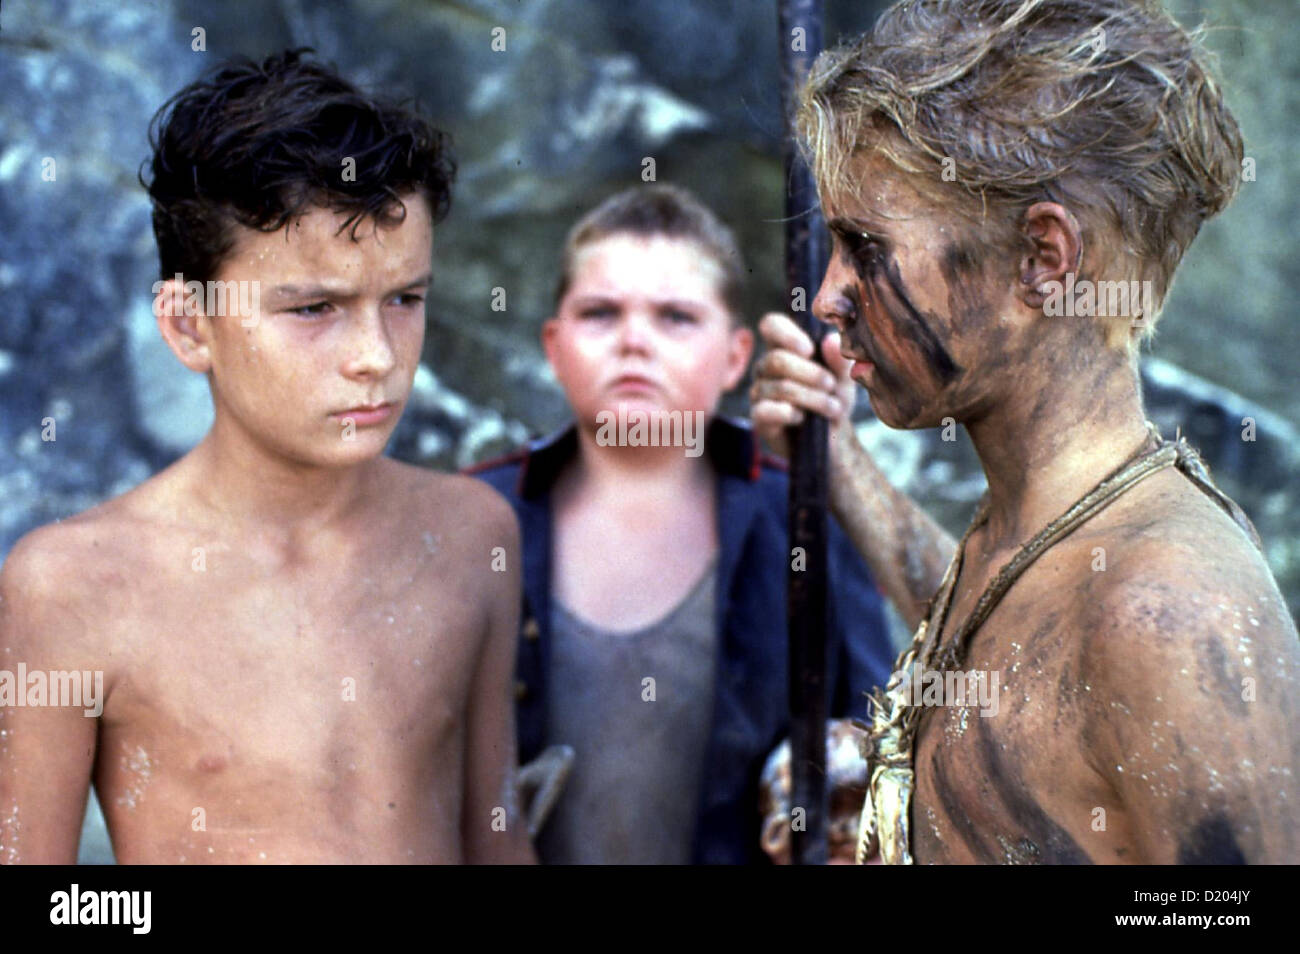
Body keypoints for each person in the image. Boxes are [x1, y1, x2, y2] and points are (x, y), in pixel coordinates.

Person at [751, 0, 1300, 864]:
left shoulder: (1173, 612)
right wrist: (837, 458)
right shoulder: (1038, 530)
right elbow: (1008, 641)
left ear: (1044, 259)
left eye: (864, 246)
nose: (825, 296)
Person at [0, 50, 533, 864]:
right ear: (188, 326)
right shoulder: (73, 587)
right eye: (315, 307)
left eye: (404, 299)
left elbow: (499, 847)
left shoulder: (471, 537)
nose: (375, 356)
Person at [469, 184, 894, 864]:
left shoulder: (808, 523)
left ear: (735, 356)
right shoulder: (475, 521)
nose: (635, 341)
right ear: (554, 345)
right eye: (601, 313)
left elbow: (880, 741)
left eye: (675, 317)